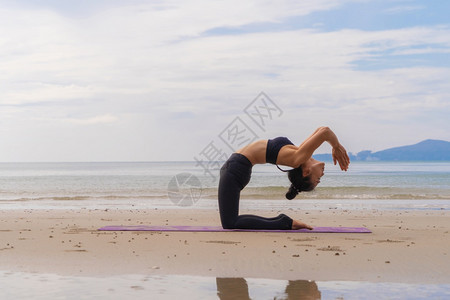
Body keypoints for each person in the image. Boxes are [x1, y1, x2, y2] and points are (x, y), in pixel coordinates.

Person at [218, 126, 350, 230]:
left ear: (306, 172)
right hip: (235, 168)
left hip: (235, 170)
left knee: (230, 223)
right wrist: (336, 146)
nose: (322, 175)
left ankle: (285, 222)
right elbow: (322, 130)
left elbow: (325, 132)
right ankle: (284, 221)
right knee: (230, 221)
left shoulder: (296, 158)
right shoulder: (299, 155)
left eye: (318, 180)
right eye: (319, 180)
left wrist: (336, 146)